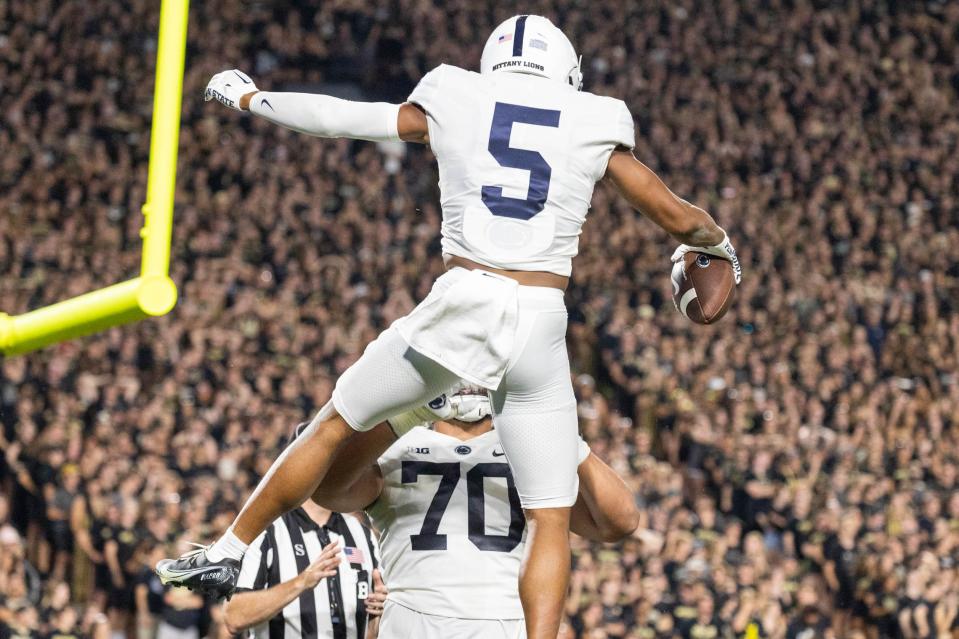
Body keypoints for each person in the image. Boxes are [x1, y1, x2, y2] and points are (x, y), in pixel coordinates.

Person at [157, 14, 740, 638]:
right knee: (550, 515)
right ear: (564, 73)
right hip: (543, 317)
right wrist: (718, 243)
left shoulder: (456, 93)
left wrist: (253, 99)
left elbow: (349, 119)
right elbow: (670, 211)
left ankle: (229, 548)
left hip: (469, 295)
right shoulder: (594, 118)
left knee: (333, 422)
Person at [311, 388, 640, 638]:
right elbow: (327, 490)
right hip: (415, 618)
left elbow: (620, 521)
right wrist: (407, 416)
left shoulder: (528, 448)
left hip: (506, 621)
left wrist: (562, 433)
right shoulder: (401, 443)